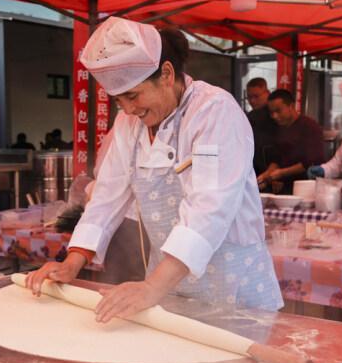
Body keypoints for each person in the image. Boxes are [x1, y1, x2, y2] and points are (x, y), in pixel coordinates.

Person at [26, 17, 283, 323]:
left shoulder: (214, 112)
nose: (129, 110)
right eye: (119, 101)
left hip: (231, 284)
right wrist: (71, 262)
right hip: (168, 286)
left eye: (133, 96)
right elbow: (106, 198)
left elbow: (208, 211)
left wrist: (151, 287)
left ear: (166, 73)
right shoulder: (129, 124)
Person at [257, 89, 325, 194]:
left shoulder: (309, 126)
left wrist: (282, 173)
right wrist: (267, 174)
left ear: (291, 106)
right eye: (271, 113)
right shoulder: (277, 128)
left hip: (306, 187)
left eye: (278, 111)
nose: (274, 116)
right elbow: (276, 159)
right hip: (283, 189)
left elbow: (311, 162)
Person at [245, 77, 277, 176]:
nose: (252, 101)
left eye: (256, 96)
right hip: (255, 169)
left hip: (276, 169)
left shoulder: (276, 115)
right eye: (249, 97)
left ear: (267, 93)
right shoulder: (249, 117)